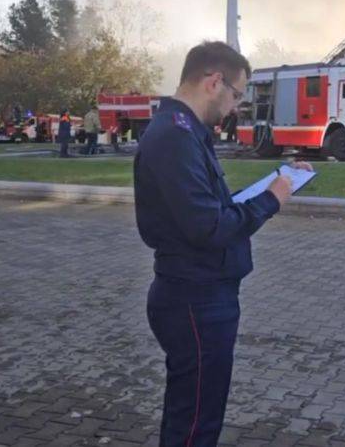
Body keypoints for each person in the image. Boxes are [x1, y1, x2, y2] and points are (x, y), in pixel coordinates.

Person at [134, 41, 312, 446]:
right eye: (236, 94)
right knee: (195, 423)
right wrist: (272, 199)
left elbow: (208, 207)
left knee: (196, 413)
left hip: (199, 291)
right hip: (194, 298)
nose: (235, 107)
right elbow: (209, 226)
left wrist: (276, 182)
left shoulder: (184, 131)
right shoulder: (176, 136)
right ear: (214, 81)